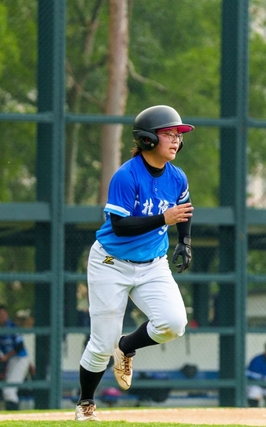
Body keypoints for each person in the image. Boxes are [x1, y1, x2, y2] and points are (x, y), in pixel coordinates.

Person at [75, 105, 195, 421]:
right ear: (146, 139)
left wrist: (184, 241)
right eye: (169, 134)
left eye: (178, 135)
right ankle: (86, 403)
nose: (176, 140)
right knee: (101, 343)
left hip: (152, 264)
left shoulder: (177, 176)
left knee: (173, 323)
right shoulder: (126, 176)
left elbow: (184, 210)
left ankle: (127, 348)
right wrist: (163, 218)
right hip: (111, 263)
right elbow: (119, 226)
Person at [0, 305, 30, 411]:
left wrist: (6, 356)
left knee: (9, 390)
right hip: (11, 361)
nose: (2, 316)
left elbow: (20, 346)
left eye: (4, 314)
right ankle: (13, 414)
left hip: (21, 359)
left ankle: (14, 415)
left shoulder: (12, 326)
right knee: (7, 390)